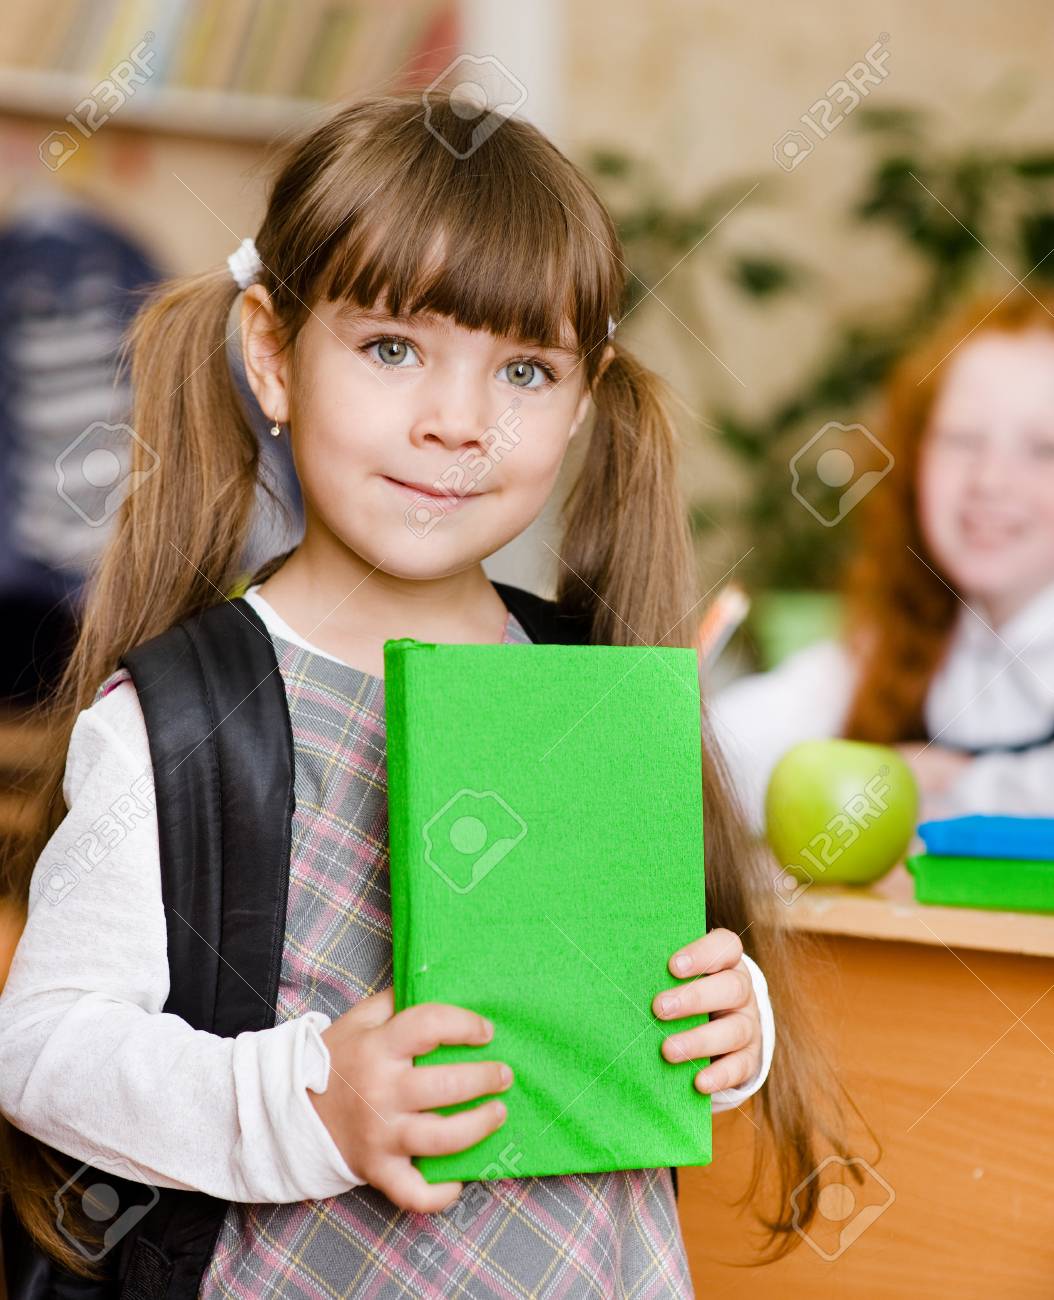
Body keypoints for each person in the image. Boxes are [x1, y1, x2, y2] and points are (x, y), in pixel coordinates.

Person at [0, 92, 848, 1297]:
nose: (458, 424)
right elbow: (42, 1050)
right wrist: (310, 1101)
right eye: (392, 349)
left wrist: (728, 1019)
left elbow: (636, 994)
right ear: (272, 355)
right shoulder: (180, 719)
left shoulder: (585, 686)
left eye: (524, 370)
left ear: (583, 397)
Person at [712, 289, 1054, 834]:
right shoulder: (895, 643)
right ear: (914, 462)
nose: (990, 480)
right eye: (962, 440)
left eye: (1043, 449)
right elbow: (720, 759)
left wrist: (950, 786)